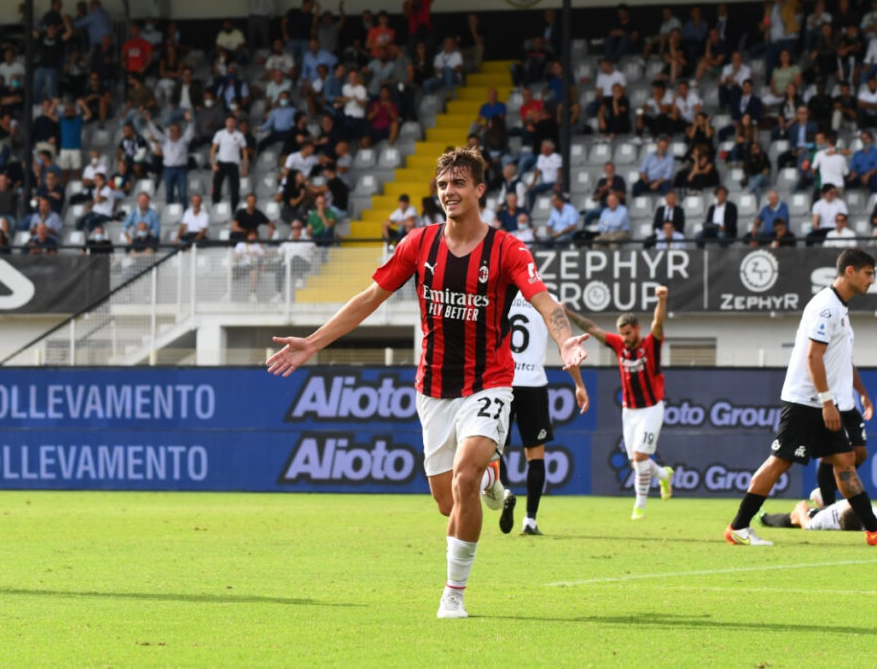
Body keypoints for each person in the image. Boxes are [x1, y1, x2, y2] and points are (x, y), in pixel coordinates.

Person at [266, 146, 589, 619]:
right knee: (446, 502)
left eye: (459, 183)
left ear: (479, 190)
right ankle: (493, 479)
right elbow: (369, 297)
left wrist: (564, 342)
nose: (449, 192)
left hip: (490, 383)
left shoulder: (508, 249)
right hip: (433, 387)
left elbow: (545, 302)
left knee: (465, 475)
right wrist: (314, 343)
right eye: (442, 185)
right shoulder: (418, 243)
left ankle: (453, 592)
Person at [726, 249, 877, 547]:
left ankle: (873, 531)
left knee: (846, 462)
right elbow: (813, 356)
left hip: (822, 402)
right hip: (806, 402)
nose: (871, 280)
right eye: (868, 273)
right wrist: (827, 402)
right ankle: (738, 526)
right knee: (779, 462)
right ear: (849, 271)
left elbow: (837, 360)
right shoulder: (826, 306)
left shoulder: (839, 308)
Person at [565, 287, 674, 520]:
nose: (625, 338)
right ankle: (664, 475)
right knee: (637, 463)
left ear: (637, 329)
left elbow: (658, 322)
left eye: (628, 332)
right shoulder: (619, 345)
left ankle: (639, 507)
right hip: (630, 411)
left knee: (640, 457)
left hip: (651, 408)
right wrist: (569, 313)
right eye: (621, 334)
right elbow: (592, 329)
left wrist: (662, 300)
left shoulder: (650, 344)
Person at [499, 292, 588, 535]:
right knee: (535, 456)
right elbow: (566, 347)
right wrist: (579, 384)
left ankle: (505, 489)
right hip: (533, 384)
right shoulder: (547, 299)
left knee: (495, 450)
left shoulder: (497, 291)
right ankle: (530, 520)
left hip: (501, 382)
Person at [210, 115, 250, 214]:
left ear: (235, 123)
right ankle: (215, 207)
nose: (230, 124)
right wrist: (213, 164)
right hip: (221, 164)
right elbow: (213, 150)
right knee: (216, 186)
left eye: (232, 122)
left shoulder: (239, 135)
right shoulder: (220, 134)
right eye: (229, 122)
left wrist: (245, 167)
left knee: (235, 189)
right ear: (226, 123)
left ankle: (234, 211)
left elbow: (244, 152)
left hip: (233, 164)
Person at [760, 498, 876, 532]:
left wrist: (801, 508)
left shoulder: (824, 519)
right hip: (830, 508)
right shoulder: (871, 515)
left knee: (794, 518)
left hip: (820, 512)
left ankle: (764, 517)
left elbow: (806, 525)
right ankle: (821, 500)